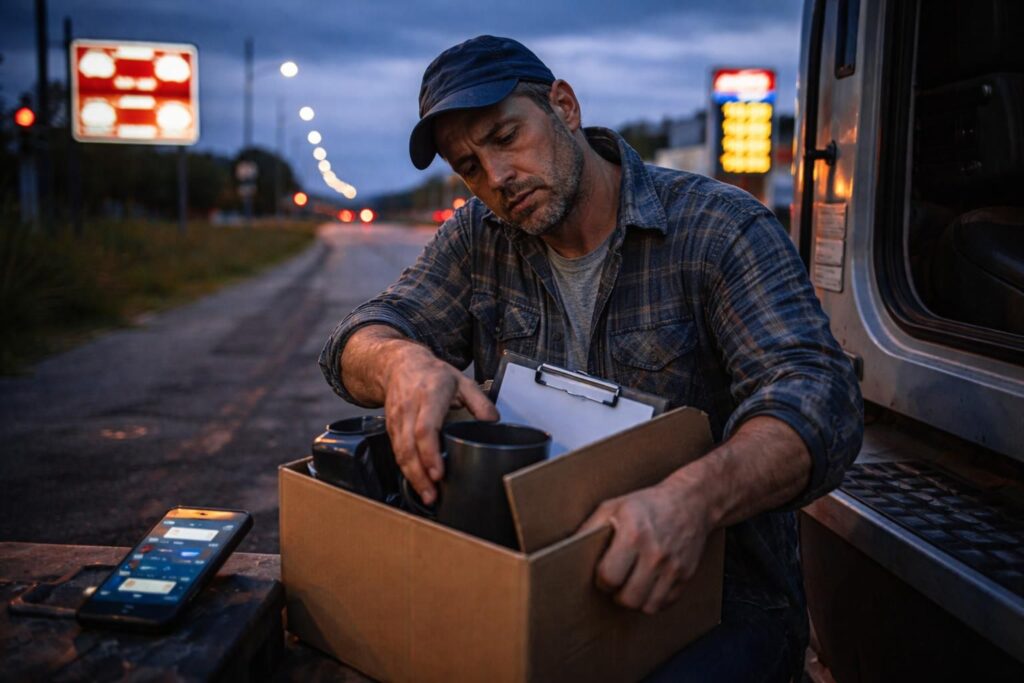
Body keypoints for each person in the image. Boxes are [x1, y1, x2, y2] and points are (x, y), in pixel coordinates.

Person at [320, 35, 862, 681]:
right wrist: (400, 363)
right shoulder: (479, 237)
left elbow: (817, 396)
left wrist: (692, 500)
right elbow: (359, 336)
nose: (495, 178)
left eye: (505, 136)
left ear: (564, 107)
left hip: (711, 596)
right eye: (468, 164)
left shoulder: (718, 227)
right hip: (533, 571)